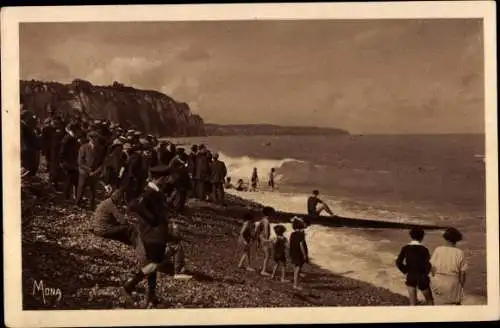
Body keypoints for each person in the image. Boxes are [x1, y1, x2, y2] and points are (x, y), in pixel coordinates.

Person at [122, 166, 173, 308]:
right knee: (154, 264)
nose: (168, 181)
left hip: (155, 234)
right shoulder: (149, 193)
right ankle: (130, 283)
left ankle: (151, 296)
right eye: (167, 178)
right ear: (161, 179)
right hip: (153, 234)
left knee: (153, 265)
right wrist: (153, 220)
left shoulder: (155, 192)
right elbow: (135, 205)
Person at [395, 228, 434, 305]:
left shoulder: (405, 248)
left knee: (413, 302)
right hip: (422, 277)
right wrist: (426, 273)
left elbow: (398, 262)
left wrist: (405, 271)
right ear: (422, 237)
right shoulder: (424, 249)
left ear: (411, 236)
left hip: (411, 276)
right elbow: (428, 265)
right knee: (429, 300)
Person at [430, 227, 467, 305]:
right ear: (456, 239)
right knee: (455, 308)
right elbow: (462, 274)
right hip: (453, 282)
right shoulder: (460, 252)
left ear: (446, 238)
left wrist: (433, 279)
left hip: (438, 280)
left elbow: (432, 268)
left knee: (439, 307)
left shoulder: (438, 249)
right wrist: (461, 287)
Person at [76, 131, 104, 210]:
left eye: (96, 139)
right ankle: (78, 203)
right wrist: (88, 170)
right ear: (90, 139)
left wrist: (97, 171)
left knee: (93, 190)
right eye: (94, 138)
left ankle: (92, 206)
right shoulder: (83, 147)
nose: (95, 140)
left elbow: (101, 162)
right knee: (81, 187)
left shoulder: (100, 149)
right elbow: (80, 161)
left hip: (95, 173)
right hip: (84, 172)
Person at [59, 123, 82, 200]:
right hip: (69, 163)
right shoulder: (67, 140)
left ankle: (73, 196)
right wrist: (63, 162)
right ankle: (67, 196)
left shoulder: (73, 139)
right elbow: (62, 152)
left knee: (74, 180)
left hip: (73, 162)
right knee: (70, 180)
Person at [289, 217, 309, 290]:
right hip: (299, 253)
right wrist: (304, 255)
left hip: (293, 252)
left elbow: (290, 243)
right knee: (297, 268)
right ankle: (295, 285)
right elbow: (301, 245)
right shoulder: (301, 235)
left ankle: (295, 283)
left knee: (296, 268)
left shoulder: (292, 234)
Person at [255, 206, 275, 276]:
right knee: (267, 255)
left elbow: (258, 230)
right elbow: (266, 232)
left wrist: (259, 240)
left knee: (266, 255)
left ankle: (263, 269)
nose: (273, 215)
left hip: (261, 238)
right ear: (270, 213)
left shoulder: (262, 220)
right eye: (273, 213)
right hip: (264, 239)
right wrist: (269, 241)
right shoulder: (266, 221)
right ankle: (263, 270)